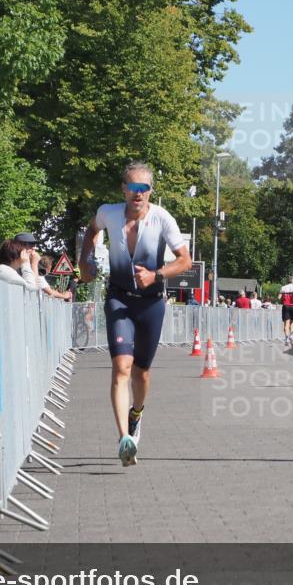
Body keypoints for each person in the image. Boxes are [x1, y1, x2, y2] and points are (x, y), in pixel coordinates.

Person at [78, 162, 191, 467]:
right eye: (133, 187)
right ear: (124, 190)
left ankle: (136, 415)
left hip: (151, 302)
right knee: (121, 366)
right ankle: (124, 439)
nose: (138, 194)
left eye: (144, 188)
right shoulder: (109, 212)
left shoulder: (162, 218)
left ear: (150, 191)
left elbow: (185, 261)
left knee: (141, 372)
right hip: (119, 299)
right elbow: (91, 230)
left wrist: (157, 275)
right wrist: (84, 262)